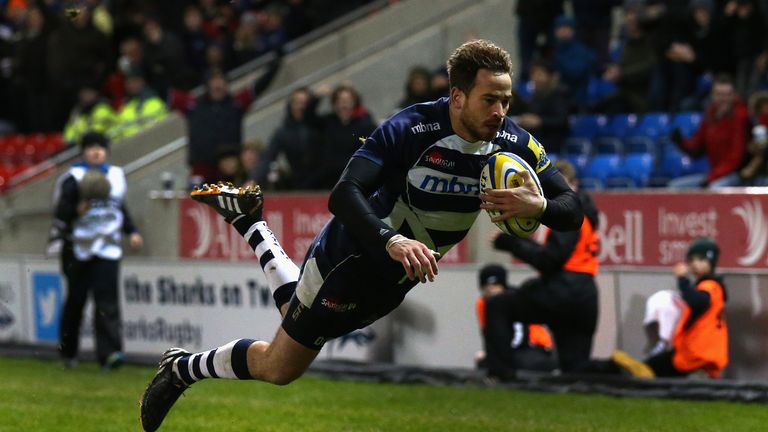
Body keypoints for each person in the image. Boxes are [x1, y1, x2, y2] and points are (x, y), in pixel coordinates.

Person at [139, 39, 583, 431]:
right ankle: (183, 368)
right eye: (489, 100)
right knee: (281, 365)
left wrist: (538, 206)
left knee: (304, 320)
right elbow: (343, 194)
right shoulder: (410, 129)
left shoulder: (513, 141)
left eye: (506, 99)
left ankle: (250, 223)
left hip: (403, 274)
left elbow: (572, 211)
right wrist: (391, 239)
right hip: (351, 255)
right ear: (458, 96)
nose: (500, 111)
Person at [484, 159, 598, 379]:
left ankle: (501, 376)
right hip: (586, 296)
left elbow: (550, 260)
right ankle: (612, 369)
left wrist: (511, 243)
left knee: (498, 305)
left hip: (564, 290)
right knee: (575, 373)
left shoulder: (567, 216)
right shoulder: (587, 214)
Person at [48, 132, 143, 370]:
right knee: (75, 302)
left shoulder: (116, 176)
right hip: (77, 247)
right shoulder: (72, 177)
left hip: (107, 249)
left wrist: (131, 231)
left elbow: (120, 208)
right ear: (83, 151)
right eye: (91, 147)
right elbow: (60, 213)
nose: (96, 151)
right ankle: (68, 352)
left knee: (107, 303)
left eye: (100, 147)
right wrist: (75, 211)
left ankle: (110, 354)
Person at [600, 237, 728, 379]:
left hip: (696, 356)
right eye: (691, 260)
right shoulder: (711, 287)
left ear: (711, 262)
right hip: (697, 354)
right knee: (655, 367)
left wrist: (682, 280)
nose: (695, 264)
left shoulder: (710, 286)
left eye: (701, 259)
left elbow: (697, 301)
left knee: (651, 370)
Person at [668, 74, 748, 189]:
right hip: (714, 174)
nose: (723, 99)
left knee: (715, 188)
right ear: (713, 96)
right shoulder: (710, 116)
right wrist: (681, 142)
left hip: (735, 175)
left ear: (734, 96)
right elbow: (697, 148)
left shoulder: (740, 117)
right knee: (674, 186)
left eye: (727, 95)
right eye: (719, 94)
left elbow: (735, 158)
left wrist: (711, 177)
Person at [475, 264, 555, 373]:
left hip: (533, 346)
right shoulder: (482, 303)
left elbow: (519, 336)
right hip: (514, 348)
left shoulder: (512, 299)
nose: (491, 291)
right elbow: (491, 333)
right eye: (486, 287)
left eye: (495, 286)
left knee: (514, 364)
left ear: (503, 286)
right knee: (485, 364)